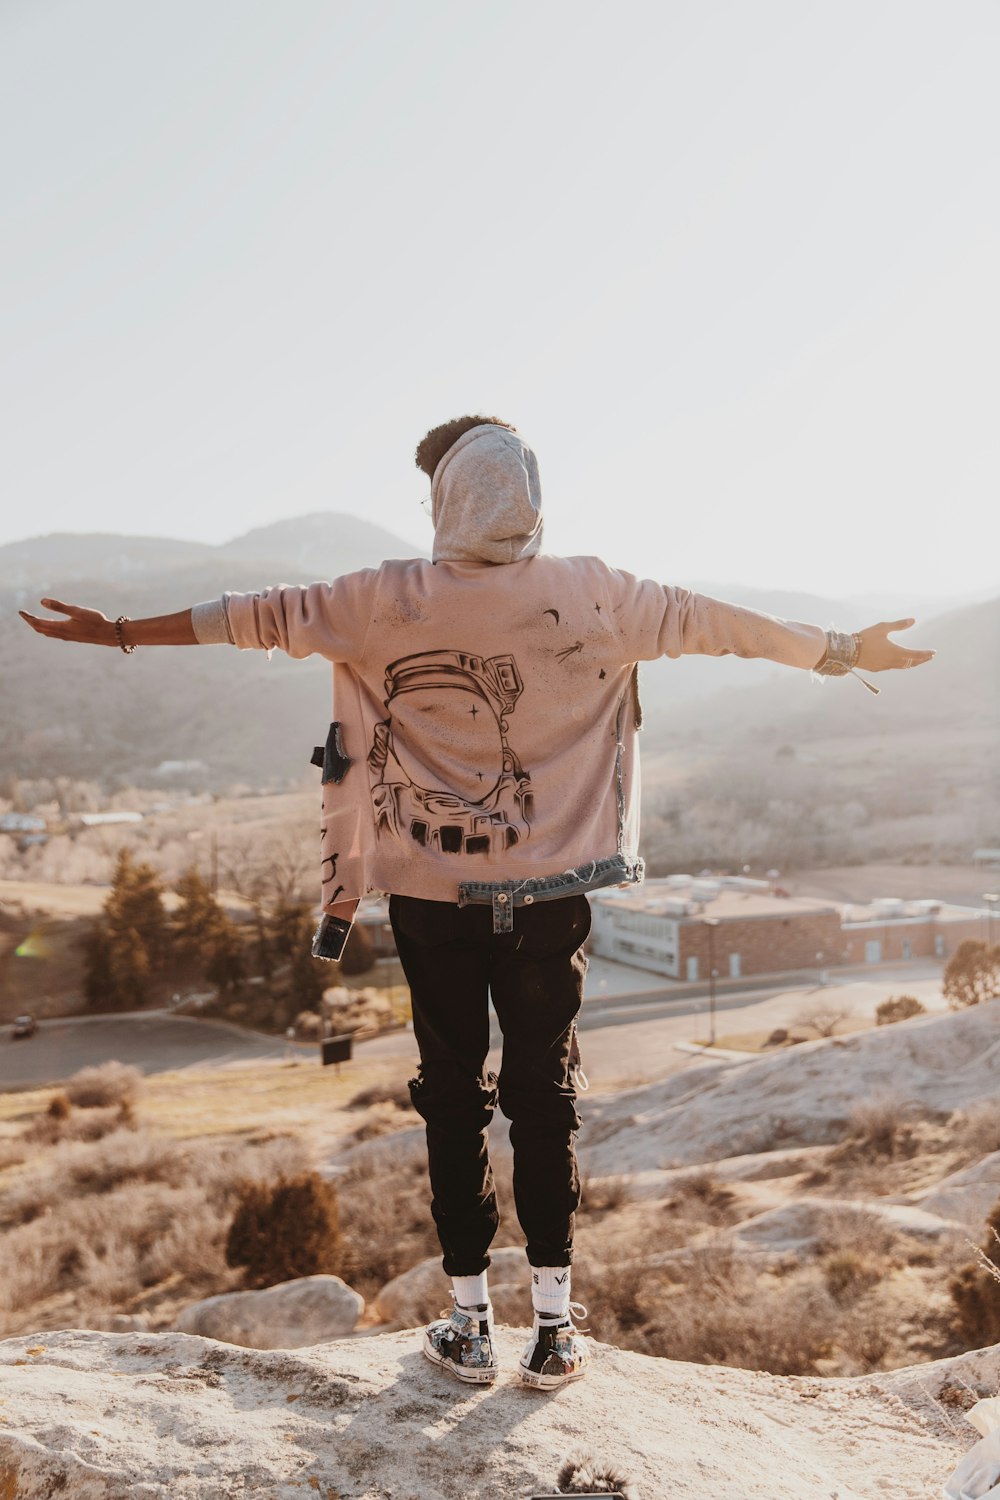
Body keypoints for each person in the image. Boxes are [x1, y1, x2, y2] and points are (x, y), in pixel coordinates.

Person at [20, 414, 935, 1388]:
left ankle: (467, 1324)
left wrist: (121, 633)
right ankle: (554, 1328)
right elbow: (725, 625)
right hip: (552, 900)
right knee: (547, 1101)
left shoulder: (379, 597)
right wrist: (841, 648)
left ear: (445, 501)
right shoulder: (597, 593)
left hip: (430, 901)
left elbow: (245, 615)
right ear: (531, 501)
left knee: (451, 1103)